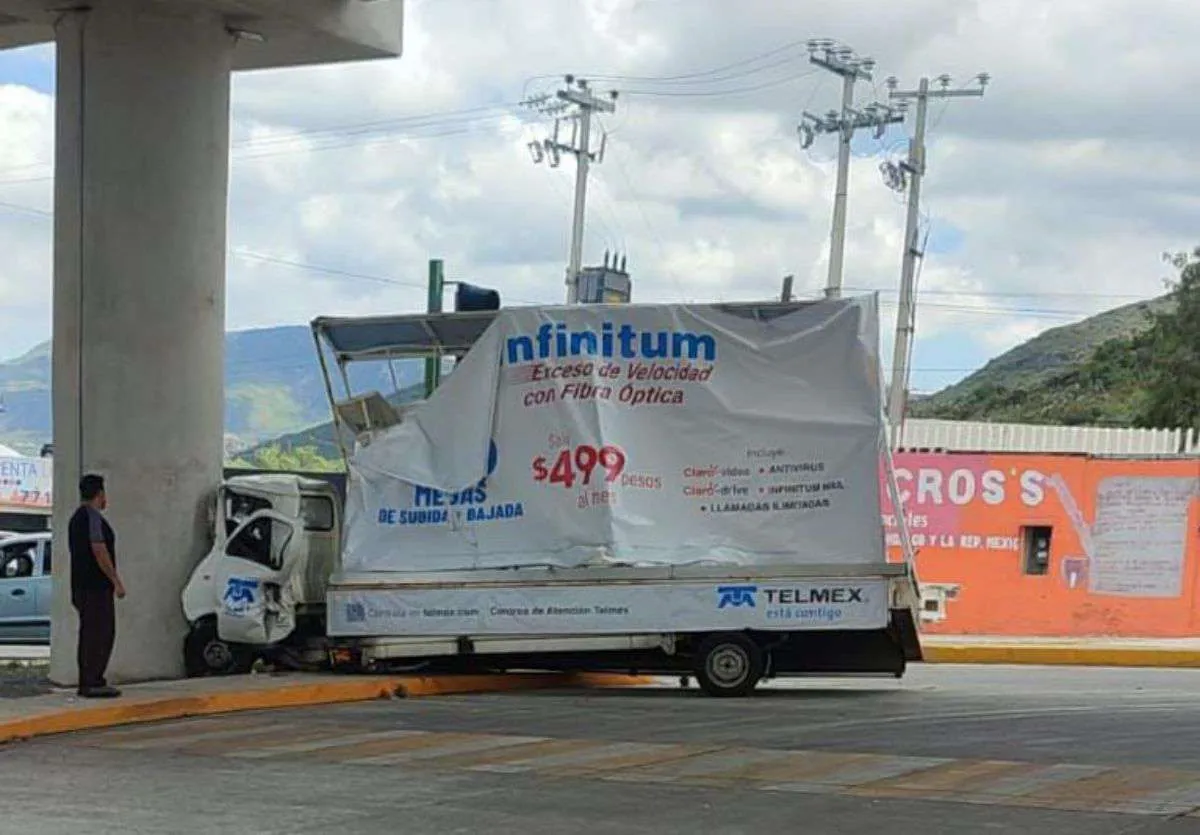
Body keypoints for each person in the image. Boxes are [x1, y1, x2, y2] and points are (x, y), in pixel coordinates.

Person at [68, 473, 126, 698]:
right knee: (100, 633)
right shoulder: (92, 517)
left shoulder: (77, 518)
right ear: (100, 494)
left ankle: (89, 679)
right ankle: (93, 681)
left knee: (90, 633)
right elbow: (99, 549)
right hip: (95, 588)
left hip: (82, 586)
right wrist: (116, 580)